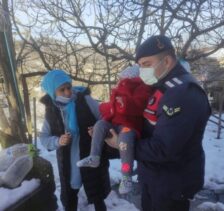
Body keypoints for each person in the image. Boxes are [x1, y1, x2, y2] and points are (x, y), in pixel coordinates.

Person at [107, 35, 211, 211]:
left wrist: (121, 144)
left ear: (168, 60)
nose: (142, 71)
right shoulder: (162, 85)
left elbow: (164, 148)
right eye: (140, 66)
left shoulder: (182, 93)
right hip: (155, 177)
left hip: (171, 184)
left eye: (147, 64)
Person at [39, 69, 113, 211]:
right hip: (68, 160)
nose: (68, 92)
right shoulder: (51, 111)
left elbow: (104, 118)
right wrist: (58, 141)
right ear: (52, 92)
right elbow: (44, 137)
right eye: (62, 90)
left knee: (96, 191)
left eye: (69, 87)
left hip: (91, 154)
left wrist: (97, 130)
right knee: (70, 195)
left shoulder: (84, 100)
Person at [77, 65, 152, 194]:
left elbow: (139, 105)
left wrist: (122, 104)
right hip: (115, 123)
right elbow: (112, 107)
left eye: (121, 79)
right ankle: (94, 157)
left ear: (128, 79)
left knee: (125, 138)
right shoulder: (118, 90)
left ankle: (126, 176)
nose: (119, 81)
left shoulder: (142, 88)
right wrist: (106, 111)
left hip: (130, 125)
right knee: (99, 125)